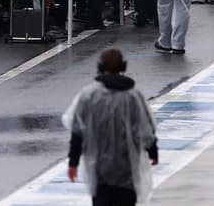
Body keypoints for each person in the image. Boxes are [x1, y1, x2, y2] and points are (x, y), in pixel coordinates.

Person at [64, 48, 158, 206]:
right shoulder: (133, 96)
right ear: (123, 66)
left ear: (100, 66)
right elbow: (146, 128)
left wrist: (73, 162)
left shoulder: (89, 95)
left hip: (99, 167)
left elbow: (77, 131)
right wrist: (153, 151)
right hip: (127, 167)